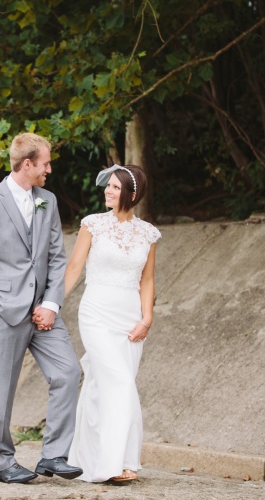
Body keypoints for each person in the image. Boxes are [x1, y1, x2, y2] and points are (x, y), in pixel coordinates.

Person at [0, 132, 83, 484]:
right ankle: (3, 463)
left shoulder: (47, 199)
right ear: (27, 164)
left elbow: (56, 257)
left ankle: (53, 455)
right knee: (2, 390)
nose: (49, 169)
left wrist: (51, 303)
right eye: (45, 163)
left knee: (68, 374)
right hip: (5, 312)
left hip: (43, 312)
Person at [61, 164, 161, 483]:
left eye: (116, 187)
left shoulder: (148, 233)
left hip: (130, 317)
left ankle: (93, 459)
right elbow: (74, 268)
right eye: (108, 186)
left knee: (100, 386)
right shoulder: (92, 225)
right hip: (96, 313)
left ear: (131, 194)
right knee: (120, 382)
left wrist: (147, 318)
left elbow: (147, 279)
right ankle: (114, 464)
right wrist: (51, 304)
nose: (108, 190)